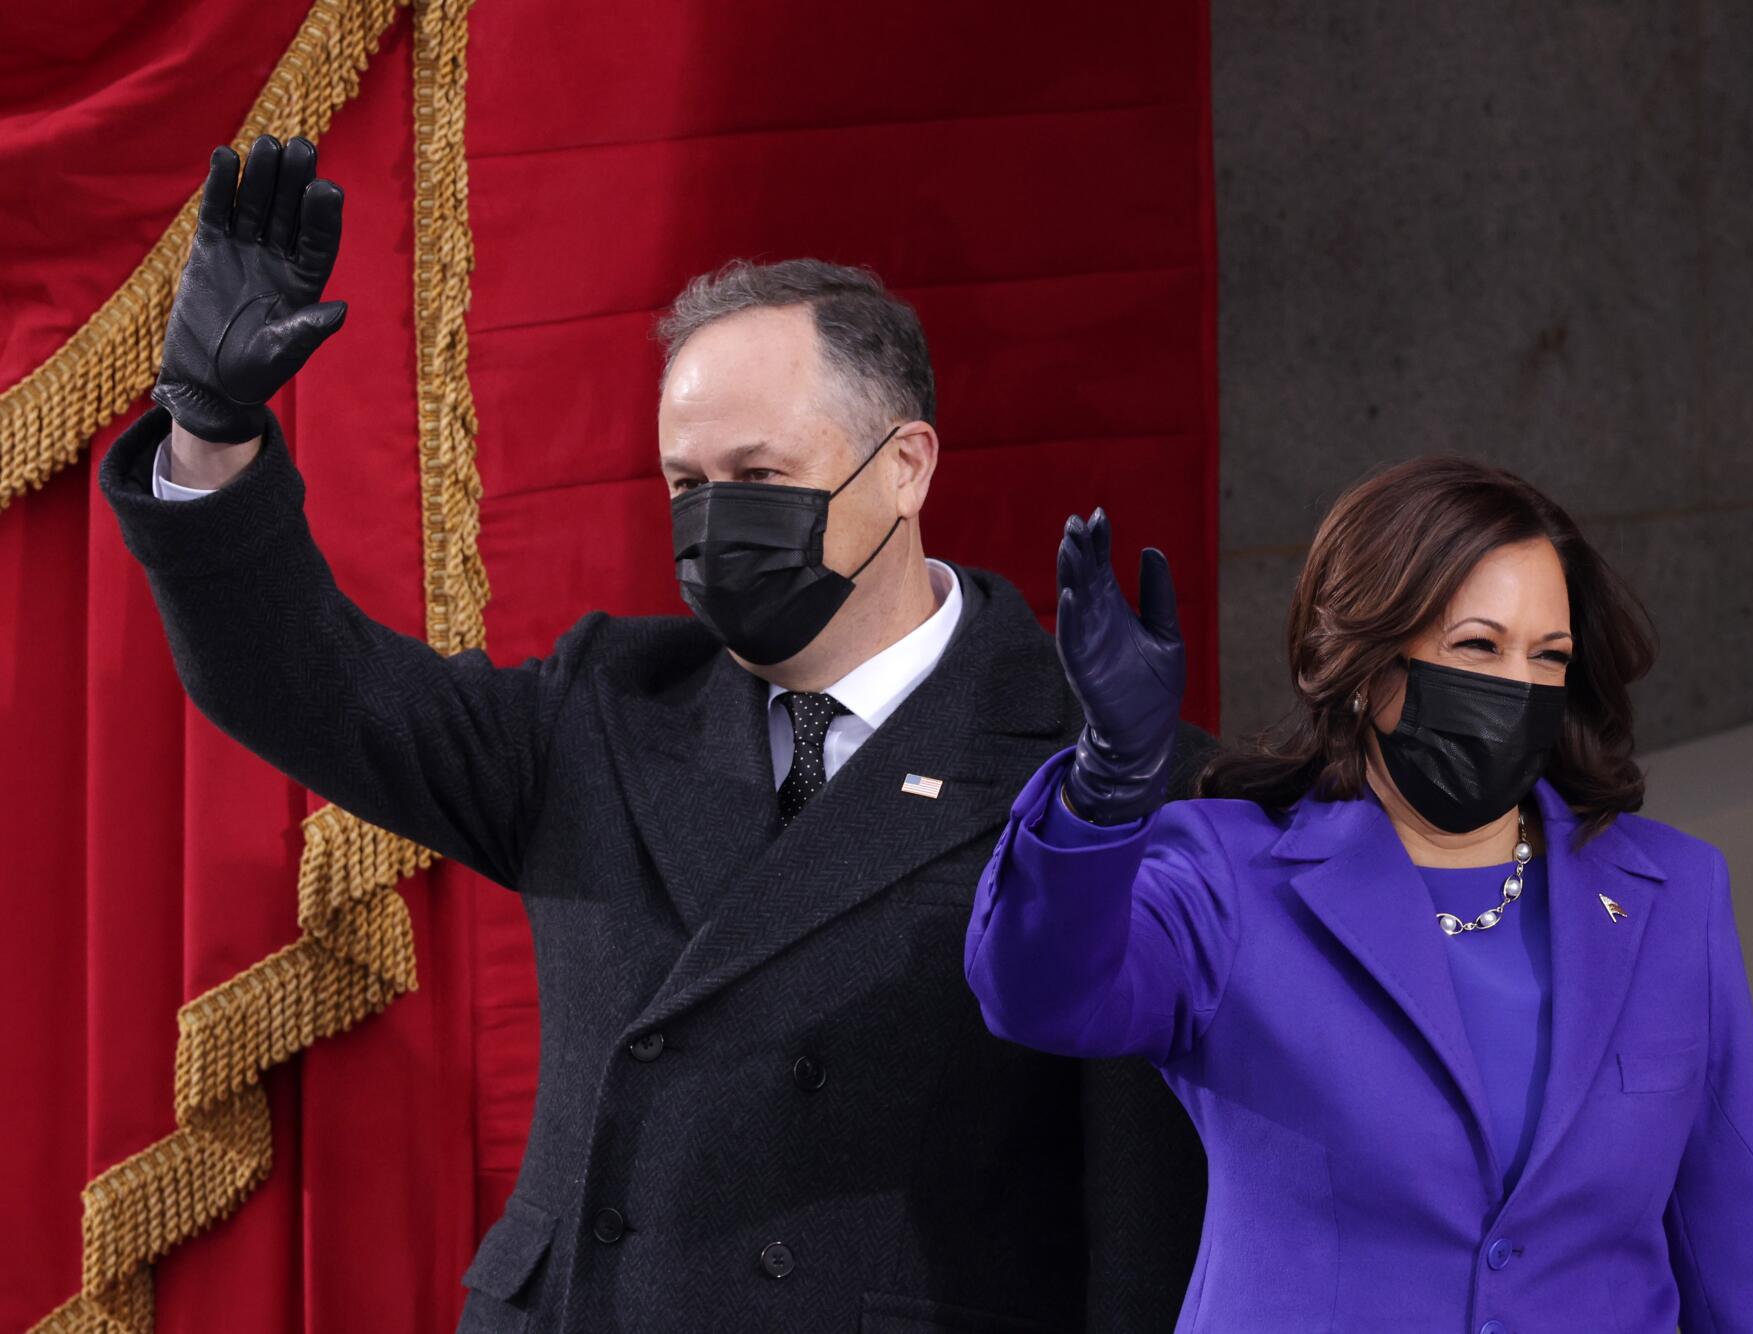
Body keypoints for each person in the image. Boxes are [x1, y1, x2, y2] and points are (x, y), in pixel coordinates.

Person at [99, 133, 1213, 1333]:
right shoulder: (605, 708)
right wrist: (209, 435)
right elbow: (304, 687)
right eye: (685, 481)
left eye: (758, 470)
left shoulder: (1099, 765)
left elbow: (1144, 1222)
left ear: (905, 469)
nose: (712, 518)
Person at [964, 467, 1753, 1333]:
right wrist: (1109, 779)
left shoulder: (1670, 895)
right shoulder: (1227, 878)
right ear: (1364, 664)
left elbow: (1750, 1252)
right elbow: (1041, 995)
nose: (1517, 687)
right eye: (1477, 647)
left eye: (1548, 656)